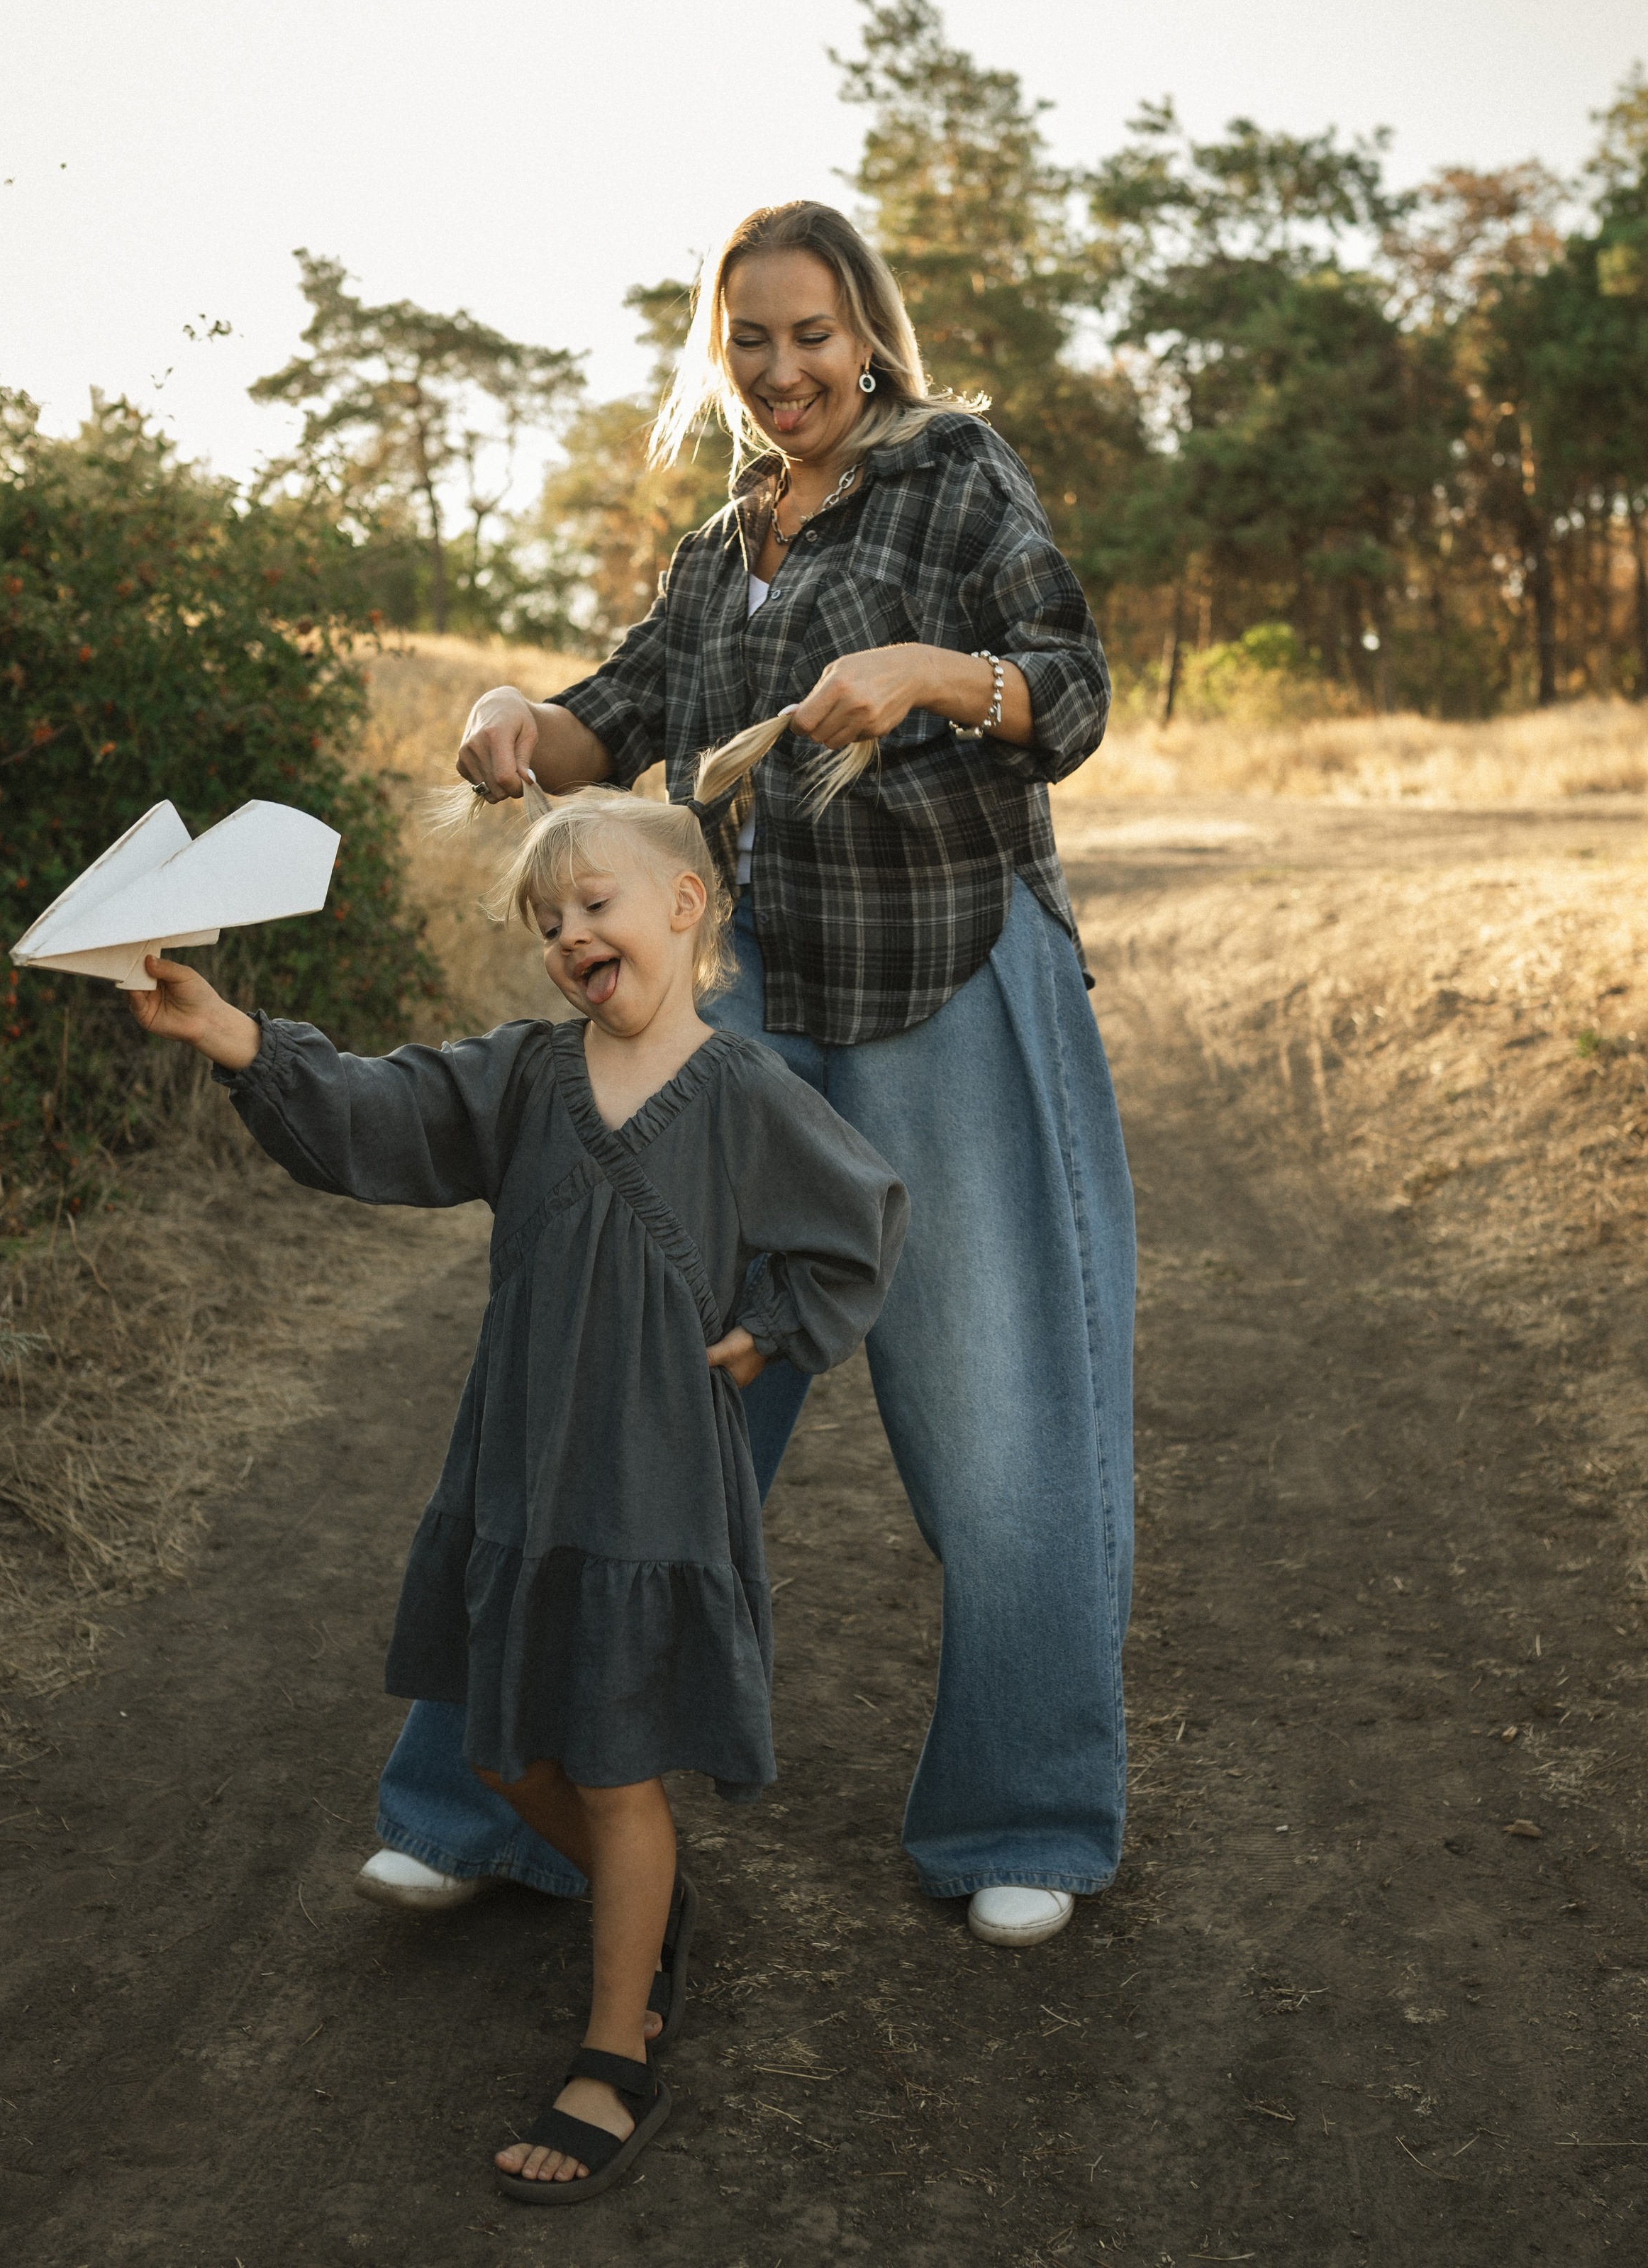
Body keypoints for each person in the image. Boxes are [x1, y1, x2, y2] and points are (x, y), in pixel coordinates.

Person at [367, 193, 1136, 1952]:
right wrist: (506, 719)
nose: (782, 368)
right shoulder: (722, 543)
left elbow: (1072, 694)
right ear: (719, 354)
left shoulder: (954, 473)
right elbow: (608, 719)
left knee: (1002, 1416)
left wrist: (933, 674)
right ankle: (500, 1803)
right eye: (750, 339)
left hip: (954, 981)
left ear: (864, 331)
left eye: (811, 332)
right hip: (762, 1006)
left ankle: (1022, 1814)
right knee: (628, 1381)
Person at [128, 786, 906, 2202]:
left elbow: (854, 1215)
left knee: (615, 1766)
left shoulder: (741, 1095)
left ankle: (616, 2043)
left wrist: (778, 1322)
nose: (567, 936)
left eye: (593, 906)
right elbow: (377, 1113)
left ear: (683, 906)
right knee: (499, 1750)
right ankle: (641, 1903)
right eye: (545, 922)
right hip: (518, 1465)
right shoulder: (522, 1079)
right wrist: (235, 1036)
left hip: (649, 1485)